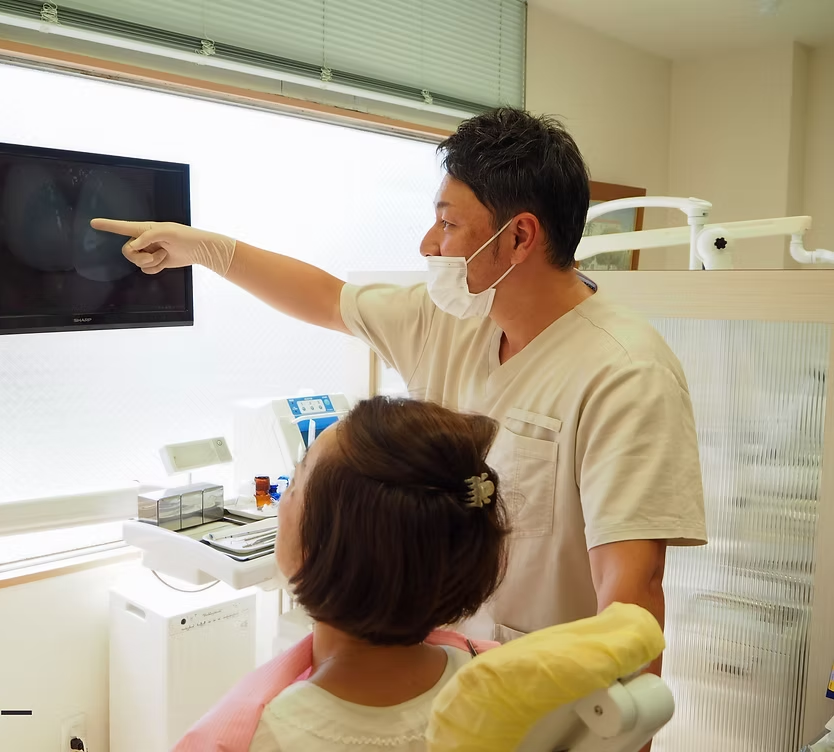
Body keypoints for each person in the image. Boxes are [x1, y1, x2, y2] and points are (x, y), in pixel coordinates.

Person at [92, 107, 707, 665]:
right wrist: (204, 249)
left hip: (540, 697)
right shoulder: (451, 318)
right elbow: (328, 299)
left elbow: (632, 596)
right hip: (431, 675)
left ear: (520, 237)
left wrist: (620, 729)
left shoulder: (625, 373)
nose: (427, 244)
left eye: (448, 223)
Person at [176, 395, 509, 751]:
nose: (282, 500)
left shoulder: (256, 740)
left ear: (324, 547)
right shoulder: (500, 682)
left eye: (294, 483)